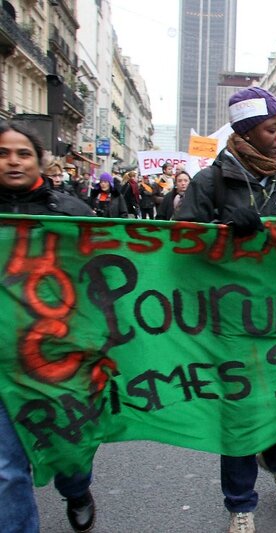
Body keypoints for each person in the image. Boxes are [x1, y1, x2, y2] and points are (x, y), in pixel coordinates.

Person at [176, 86, 276, 533]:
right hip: (233, 321)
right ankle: (240, 503)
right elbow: (180, 242)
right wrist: (220, 231)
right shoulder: (211, 181)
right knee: (241, 414)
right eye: (272, 128)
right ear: (247, 132)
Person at [0, 121, 97, 533]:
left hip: (56, 356)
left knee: (69, 447)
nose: (13, 161)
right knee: (6, 469)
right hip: (3, 361)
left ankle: (76, 489)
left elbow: (100, 277)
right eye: (4, 153)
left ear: (40, 160)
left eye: (23, 153)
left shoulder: (70, 212)